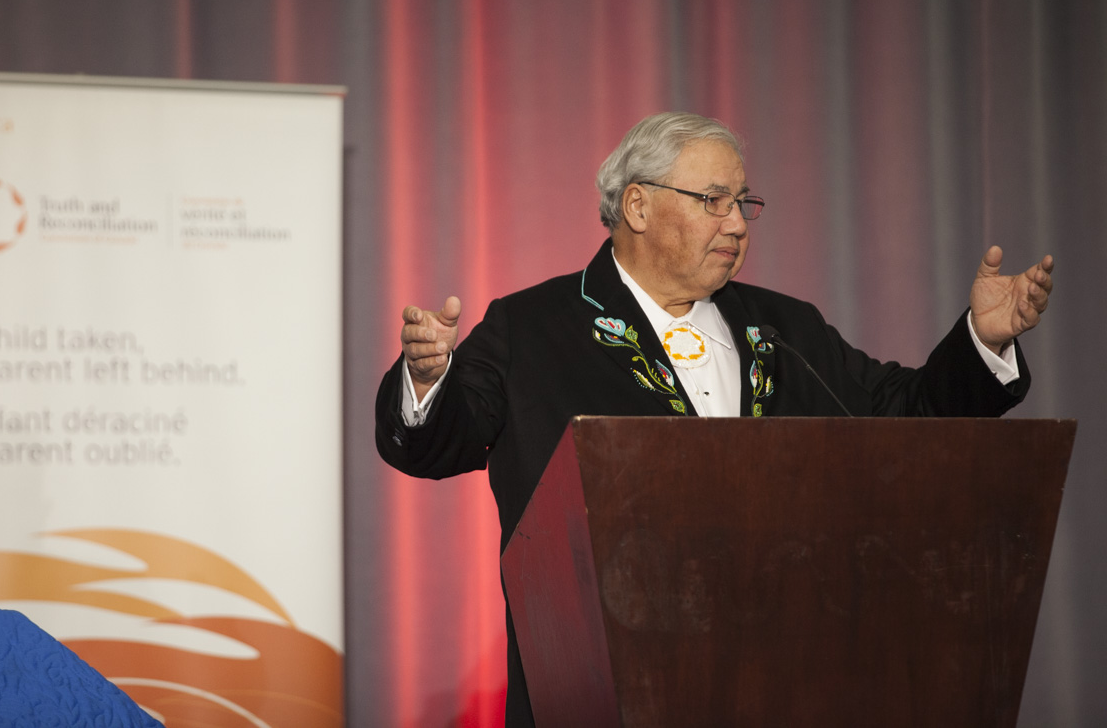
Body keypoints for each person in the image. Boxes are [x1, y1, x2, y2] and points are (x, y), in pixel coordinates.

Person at [373, 111, 1055, 727]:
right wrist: (428, 379)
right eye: (713, 201)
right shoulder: (534, 326)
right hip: (599, 693)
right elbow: (437, 442)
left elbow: (904, 415)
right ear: (636, 205)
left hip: (786, 684)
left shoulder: (786, 327)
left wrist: (981, 343)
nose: (737, 223)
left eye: (744, 203)